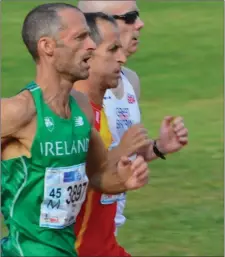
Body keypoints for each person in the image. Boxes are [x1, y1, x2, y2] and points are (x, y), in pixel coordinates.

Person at [1, 3, 151, 256]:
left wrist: (123, 180)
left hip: (67, 250)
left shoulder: (81, 107)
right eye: (80, 38)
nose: (91, 45)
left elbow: (97, 174)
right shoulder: (19, 111)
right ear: (47, 46)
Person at [73, 11, 189, 256]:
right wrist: (121, 154)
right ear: (87, 53)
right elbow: (70, 178)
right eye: (113, 49)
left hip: (105, 241)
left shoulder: (102, 106)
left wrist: (154, 150)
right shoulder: (70, 111)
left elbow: (97, 175)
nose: (123, 57)